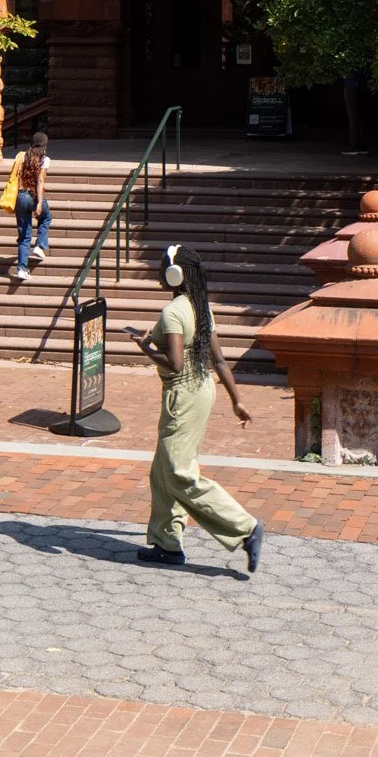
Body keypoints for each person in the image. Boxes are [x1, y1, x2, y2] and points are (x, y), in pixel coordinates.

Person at [128, 242, 264, 574]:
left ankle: (245, 528)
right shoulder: (200, 306)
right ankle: (166, 544)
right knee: (162, 471)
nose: (159, 273)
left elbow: (174, 364)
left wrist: (144, 347)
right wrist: (237, 400)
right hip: (202, 389)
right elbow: (218, 359)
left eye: (162, 268)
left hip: (184, 395)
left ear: (174, 275)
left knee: (178, 472)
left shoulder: (173, 311)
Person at [9, 129, 50, 283]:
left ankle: (21, 269)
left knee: (24, 235)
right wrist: (39, 202)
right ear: (44, 146)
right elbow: (40, 181)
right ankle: (40, 245)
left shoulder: (20, 156)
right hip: (32, 196)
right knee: (46, 216)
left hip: (19, 196)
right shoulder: (45, 159)